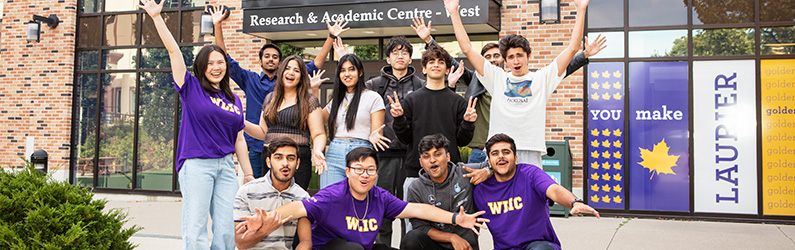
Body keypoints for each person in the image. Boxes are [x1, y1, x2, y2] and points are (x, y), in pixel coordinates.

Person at [410, 17, 606, 164]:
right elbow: (466, 49)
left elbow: (570, 51)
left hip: (530, 150)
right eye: (511, 57)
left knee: (532, 205)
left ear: (528, 56)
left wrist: (581, 10)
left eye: (519, 55)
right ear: (506, 60)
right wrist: (452, 13)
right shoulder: (494, 78)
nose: (516, 61)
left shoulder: (541, 78)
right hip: (496, 150)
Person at [139, 1, 254, 249]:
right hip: (197, 164)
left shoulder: (233, 99)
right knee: (196, 227)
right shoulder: (190, 88)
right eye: (210, 63)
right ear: (202, 66)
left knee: (225, 230)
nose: (216, 67)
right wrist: (157, 17)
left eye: (220, 62)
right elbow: (173, 52)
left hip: (225, 166)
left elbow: (239, 138)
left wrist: (247, 173)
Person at [236, 147, 490, 250]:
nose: (364, 175)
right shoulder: (333, 195)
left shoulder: (380, 197)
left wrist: (457, 218)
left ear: (376, 174)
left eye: (370, 170)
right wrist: (269, 219)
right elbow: (298, 207)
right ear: (348, 172)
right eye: (358, 170)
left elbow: (417, 210)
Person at [210, 5, 348, 178]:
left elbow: (317, 63)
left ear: (280, 64)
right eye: (267, 56)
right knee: (259, 194)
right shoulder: (251, 81)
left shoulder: (299, 90)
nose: (271, 59)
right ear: (260, 61)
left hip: (293, 153)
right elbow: (225, 59)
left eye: (275, 57)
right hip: (258, 148)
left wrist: (330, 37)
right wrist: (217, 26)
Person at [390, 46, 477, 220]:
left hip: (451, 176)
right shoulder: (411, 100)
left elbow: (462, 141)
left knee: (453, 224)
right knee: (414, 230)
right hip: (416, 174)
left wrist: (468, 123)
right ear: (424, 68)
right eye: (431, 61)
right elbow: (405, 138)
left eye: (441, 62)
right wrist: (399, 119)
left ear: (447, 69)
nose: (436, 65)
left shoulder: (458, 102)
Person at [474, 134, 600, 250]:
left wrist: (574, 202)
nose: (501, 156)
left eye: (506, 152)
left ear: (516, 158)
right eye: (495, 153)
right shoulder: (481, 191)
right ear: (489, 161)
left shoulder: (530, 174)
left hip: (538, 245)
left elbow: (554, 190)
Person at [363, 35, 425, 244]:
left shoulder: (420, 85)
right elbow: (361, 113)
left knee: (410, 212)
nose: (400, 56)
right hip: (384, 155)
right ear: (388, 59)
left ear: (410, 58)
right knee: (382, 211)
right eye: (395, 52)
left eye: (405, 52)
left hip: (412, 157)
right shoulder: (373, 85)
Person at [243, 55, 327, 191]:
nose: (291, 73)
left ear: (301, 77)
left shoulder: (309, 100)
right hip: (270, 158)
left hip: (296, 160)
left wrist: (317, 150)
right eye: (287, 68)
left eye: (296, 70)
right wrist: (241, 122)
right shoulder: (270, 99)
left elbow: (318, 133)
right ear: (281, 72)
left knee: (294, 206)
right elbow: (262, 132)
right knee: (269, 203)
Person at [401, 134, 492, 250]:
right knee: (411, 238)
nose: (432, 160)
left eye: (437, 154)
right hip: (436, 246)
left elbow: (500, 164)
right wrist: (451, 238)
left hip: (465, 247)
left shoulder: (465, 173)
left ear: (448, 157)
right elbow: (420, 227)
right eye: (426, 156)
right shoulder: (416, 188)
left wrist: (488, 171)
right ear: (420, 162)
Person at [319, 53, 390, 188]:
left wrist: (374, 136)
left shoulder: (373, 98)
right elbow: (318, 120)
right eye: (343, 70)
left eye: (351, 69)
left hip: (362, 151)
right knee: (330, 200)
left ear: (360, 72)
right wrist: (315, 89)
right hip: (335, 152)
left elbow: (377, 132)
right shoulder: (337, 99)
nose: (347, 74)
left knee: (360, 201)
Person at [233, 137, 311, 250]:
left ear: (297, 163)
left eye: (290, 158)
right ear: (269, 162)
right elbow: (240, 243)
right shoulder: (247, 191)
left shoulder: (303, 197)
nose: (285, 163)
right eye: (278, 158)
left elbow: (306, 241)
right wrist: (265, 229)